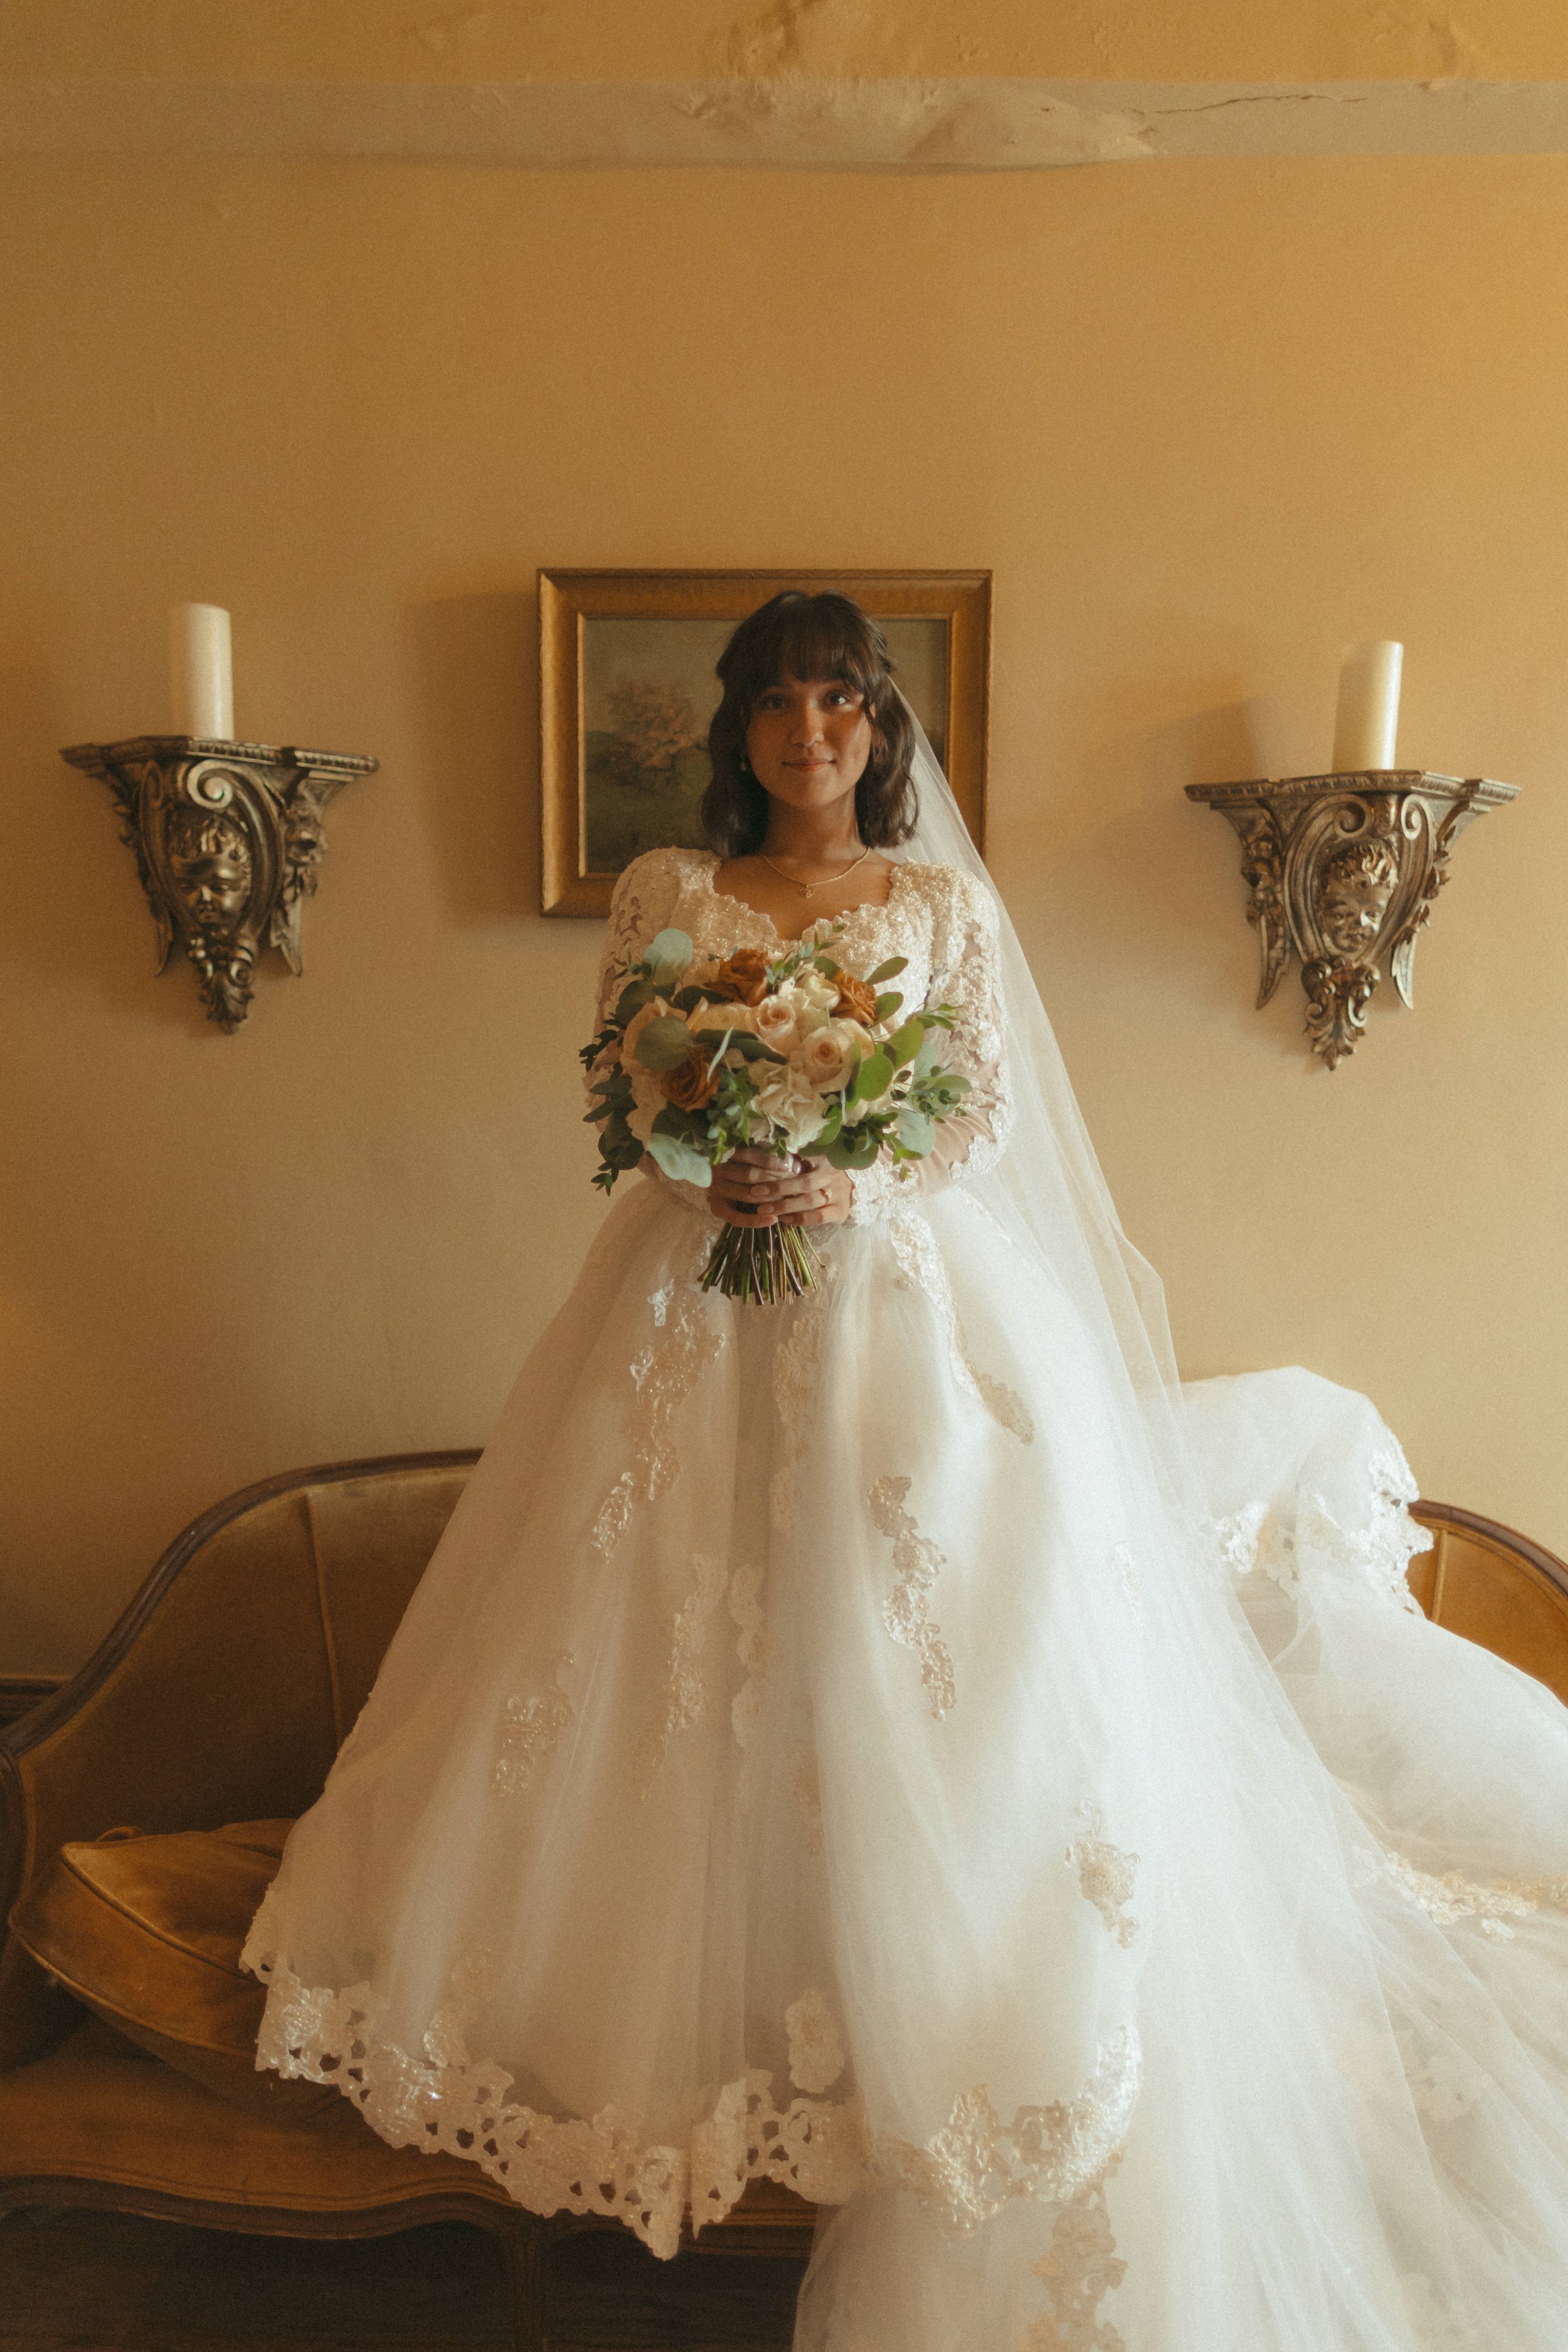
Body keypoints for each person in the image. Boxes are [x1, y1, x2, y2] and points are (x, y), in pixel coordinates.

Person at [245, 593, 1568, 2351]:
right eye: (781, 705)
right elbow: (629, 1083)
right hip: (684, 1302)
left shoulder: (937, 904)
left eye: (843, 705)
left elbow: (971, 1117)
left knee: (913, 1634)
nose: (812, 734)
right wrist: (703, 1152)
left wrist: (842, 1182)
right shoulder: (663, 896)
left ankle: (921, 2013)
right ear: (738, 732)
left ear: (877, 731)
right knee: (650, 1633)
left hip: (895, 1313)